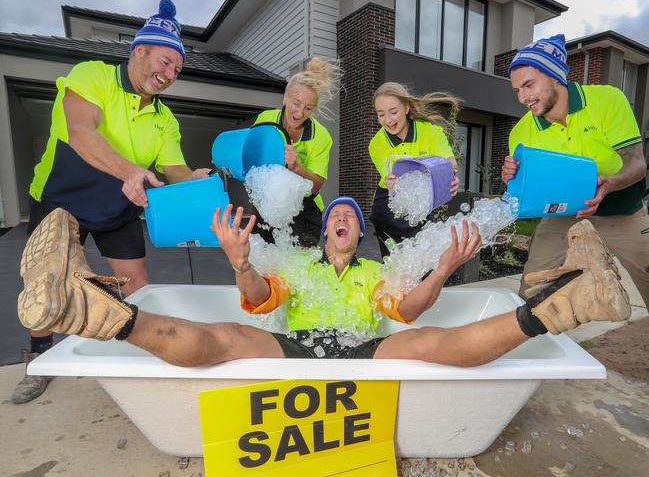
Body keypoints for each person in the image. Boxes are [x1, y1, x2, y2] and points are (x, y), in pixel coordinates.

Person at [16, 197, 630, 366]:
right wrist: (238, 262)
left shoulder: (375, 270)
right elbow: (259, 304)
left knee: (428, 346)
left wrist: (442, 269)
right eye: (334, 214)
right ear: (323, 231)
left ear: (358, 235)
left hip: (364, 349)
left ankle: (566, 305)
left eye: (351, 219)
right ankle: (90, 312)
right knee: (228, 335)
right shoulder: (298, 266)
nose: (341, 219)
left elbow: (410, 311)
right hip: (297, 347)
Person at [11, 0, 211, 404]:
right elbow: (81, 132)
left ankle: (138, 351)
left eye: (177, 69)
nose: (169, 74)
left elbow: (174, 168)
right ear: (140, 50)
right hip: (62, 197)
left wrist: (194, 182)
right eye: (165, 61)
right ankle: (39, 356)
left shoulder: (165, 118)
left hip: (119, 204)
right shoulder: (92, 76)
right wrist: (131, 173)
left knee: (137, 284)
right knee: (45, 281)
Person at [502, 34, 649, 308]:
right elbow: (524, 192)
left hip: (623, 210)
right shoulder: (521, 132)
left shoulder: (607, 100)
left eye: (529, 85)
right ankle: (528, 343)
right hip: (563, 214)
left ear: (555, 75)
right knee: (532, 286)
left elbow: (637, 163)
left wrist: (610, 183)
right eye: (517, 90)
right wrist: (512, 179)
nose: (523, 97)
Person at [252, 57, 340, 248]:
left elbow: (316, 187)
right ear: (285, 97)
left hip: (304, 209)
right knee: (262, 267)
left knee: (297, 272)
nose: (300, 113)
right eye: (296, 103)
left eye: (308, 108)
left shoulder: (322, 137)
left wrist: (296, 167)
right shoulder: (265, 120)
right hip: (267, 205)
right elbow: (250, 159)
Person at [369, 82, 461, 258]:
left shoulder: (431, 132)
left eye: (393, 112)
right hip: (389, 204)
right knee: (395, 266)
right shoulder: (376, 144)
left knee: (423, 263)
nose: (387, 120)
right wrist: (392, 183)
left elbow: (450, 165)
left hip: (421, 203)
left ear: (406, 108)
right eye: (381, 114)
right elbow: (390, 178)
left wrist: (449, 178)